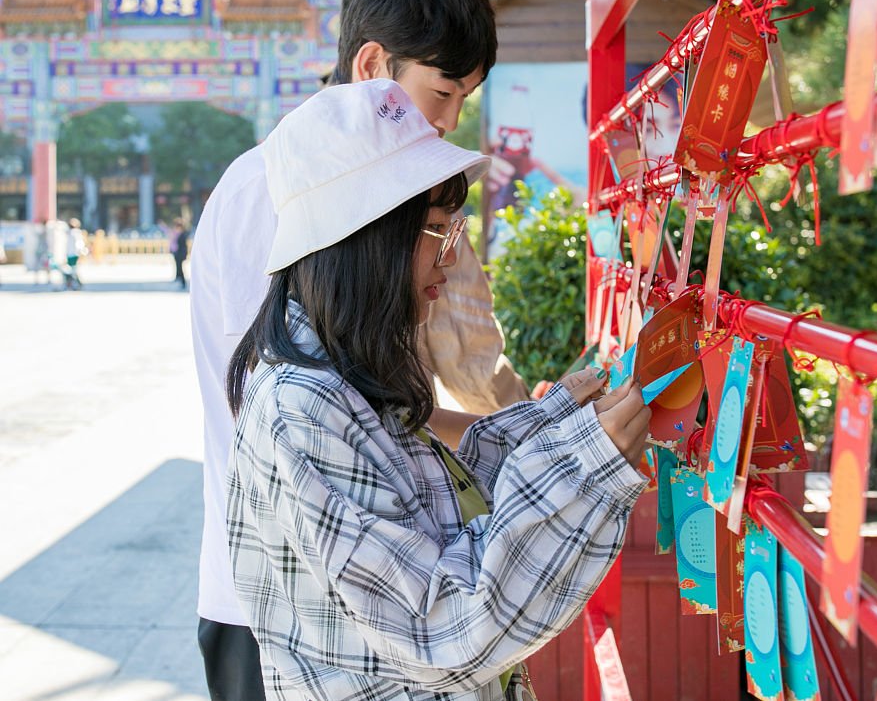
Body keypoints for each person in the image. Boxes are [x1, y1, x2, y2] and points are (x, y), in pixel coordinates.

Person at [225, 80, 650, 700]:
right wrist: (581, 467)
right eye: (435, 232)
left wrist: (556, 424)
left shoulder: (345, 368)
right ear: (363, 236)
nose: (449, 262)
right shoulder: (305, 406)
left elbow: (436, 511)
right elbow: (444, 627)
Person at [190, 0, 524, 701]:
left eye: (464, 100)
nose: (447, 123)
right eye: (442, 93)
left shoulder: (365, 194)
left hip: (350, 594)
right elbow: (309, 413)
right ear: (373, 64)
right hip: (281, 609)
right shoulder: (276, 192)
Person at [63, 218, 88, 290]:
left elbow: (78, 244)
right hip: (73, 254)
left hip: (72, 254)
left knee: (71, 270)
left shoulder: (73, 233)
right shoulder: (75, 233)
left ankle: (74, 284)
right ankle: (73, 284)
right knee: (72, 270)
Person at [169, 219, 189, 289]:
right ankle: (179, 278)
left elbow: (184, 246)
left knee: (180, 268)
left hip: (180, 254)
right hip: (177, 254)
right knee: (178, 267)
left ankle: (183, 282)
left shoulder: (182, 235)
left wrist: (184, 255)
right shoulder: (177, 234)